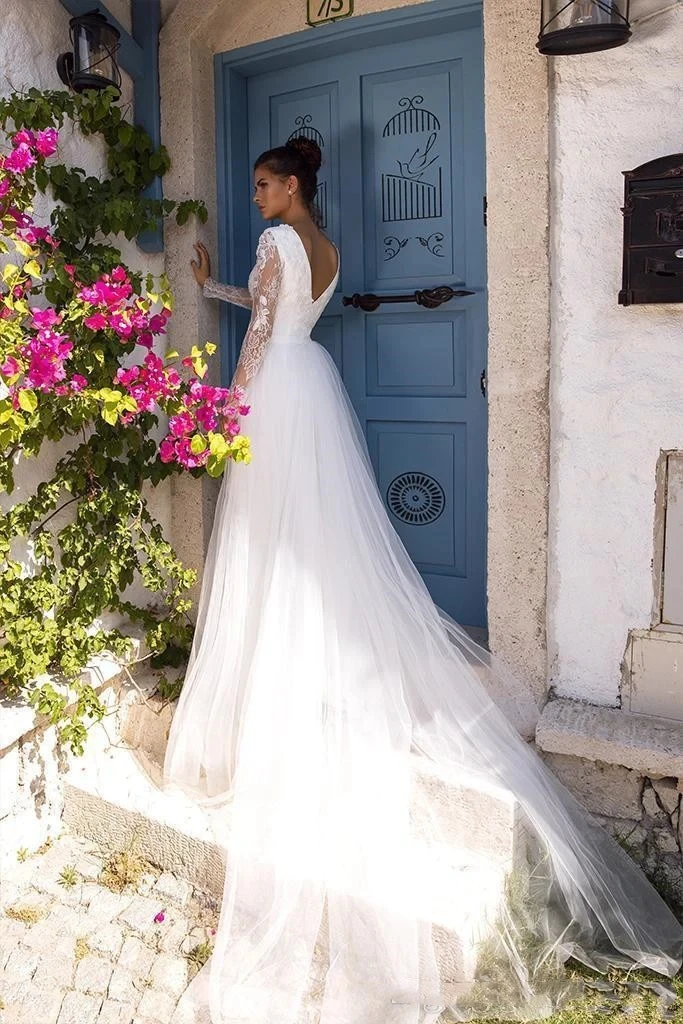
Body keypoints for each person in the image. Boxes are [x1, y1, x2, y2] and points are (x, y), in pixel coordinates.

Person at [162, 137, 683, 1024]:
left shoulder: (278, 240)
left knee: (269, 541)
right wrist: (211, 283)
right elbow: (271, 307)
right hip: (313, 386)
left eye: (261, 185)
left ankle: (269, 697)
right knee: (312, 545)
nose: (253, 197)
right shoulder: (326, 251)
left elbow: (257, 332)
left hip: (277, 396)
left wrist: (221, 413)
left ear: (291, 187)